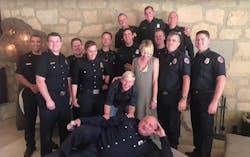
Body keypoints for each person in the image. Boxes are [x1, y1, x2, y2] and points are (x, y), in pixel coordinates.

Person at [45, 115, 173, 157]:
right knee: (82, 130)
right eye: (145, 121)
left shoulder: (148, 146)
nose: (145, 126)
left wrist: (163, 137)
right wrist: (82, 120)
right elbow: (104, 121)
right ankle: (59, 152)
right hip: (97, 139)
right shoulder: (127, 120)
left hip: (98, 154)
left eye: (150, 126)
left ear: (154, 131)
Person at [186, 30, 226, 157]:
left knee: (206, 130)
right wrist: (187, 98)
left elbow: (221, 79)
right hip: (195, 97)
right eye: (197, 39)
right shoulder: (194, 59)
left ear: (209, 41)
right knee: (196, 127)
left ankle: (204, 155)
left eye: (202, 39)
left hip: (207, 98)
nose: (199, 41)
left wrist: (215, 101)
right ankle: (198, 152)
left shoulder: (216, 58)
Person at [36, 32, 72, 156]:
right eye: (52, 41)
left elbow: (68, 79)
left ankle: (63, 154)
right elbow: (40, 80)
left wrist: (71, 95)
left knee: (65, 129)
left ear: (61, 43)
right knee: (46, 132)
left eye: (57, 41)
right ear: (47, 43)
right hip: (50, 99)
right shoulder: (44, 58)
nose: (55, 44)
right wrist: (48, 99)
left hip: (64, 100)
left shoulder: (64, 58)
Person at [158, 31, 191, 149]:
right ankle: (164, 150)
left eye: (174, 40)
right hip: (161, 97)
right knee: (162, 126)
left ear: (179, 43)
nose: (171, 42)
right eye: (169, 40)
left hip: (174, 97)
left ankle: (173, 151)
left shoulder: (183, 58)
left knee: (173, 127)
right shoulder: (161, 56)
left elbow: (186, 78)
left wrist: (184, 98)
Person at [16, 34, 42, 157]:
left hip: (44, 92)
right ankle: (30, 145)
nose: (36, 43)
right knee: (29, 120)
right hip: (29, 91)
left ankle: (47, 141)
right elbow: (19, 75)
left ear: (41, 43)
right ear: (30, 43)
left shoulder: (45, 57)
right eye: (33, 41)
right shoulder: (23, 58)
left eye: (38, 42)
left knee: (47, 119)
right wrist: (31, 86)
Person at [71, 40, 110, 118]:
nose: (93, 53)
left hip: (99, 96)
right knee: (85, 119)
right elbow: (74, 82)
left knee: (98, 119)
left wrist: (106, 83)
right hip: (86, 96)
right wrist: (74, 97)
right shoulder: (79, 62)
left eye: (95, 51)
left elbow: (107, 73)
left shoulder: (101, 61)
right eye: (90, 51)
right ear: (86, 51)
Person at [132, 40, 159, 120]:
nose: (145, 55)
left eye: (148, 53)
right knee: (137, 118)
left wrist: (154, 99)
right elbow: (132, 79)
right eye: (143, 52)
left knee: (149, 119)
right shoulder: (135, 61)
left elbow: (155, 81)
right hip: (136, 95)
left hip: (149, 96)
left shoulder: (155, 61)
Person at [67, 38, 85, 118]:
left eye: (78, 45)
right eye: (75, 46)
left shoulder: (87, 58)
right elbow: (68, 79)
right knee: (76, 116)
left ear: (82, 46)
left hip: (86, 92)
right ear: (71, 48)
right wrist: (71, 95)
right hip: (75, 93)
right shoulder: (68, 60)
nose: (77, 48)